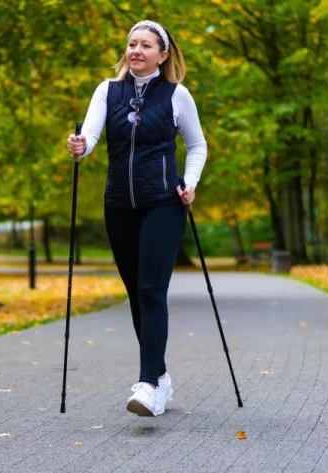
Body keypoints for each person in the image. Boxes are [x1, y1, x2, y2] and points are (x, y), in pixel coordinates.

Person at [66, 20, 208, 417]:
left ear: (162, 56)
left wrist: (190, 182)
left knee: (150, 291)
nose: (136, 51)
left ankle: (146, 385)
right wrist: (78, 146)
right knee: (136, 293)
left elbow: (197, 145)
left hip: (163, 203)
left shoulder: (177, 95)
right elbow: (90, 139)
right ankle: (159, 377)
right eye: (131, 44)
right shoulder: (107, 91)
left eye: (145, 45)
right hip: (118, 206)